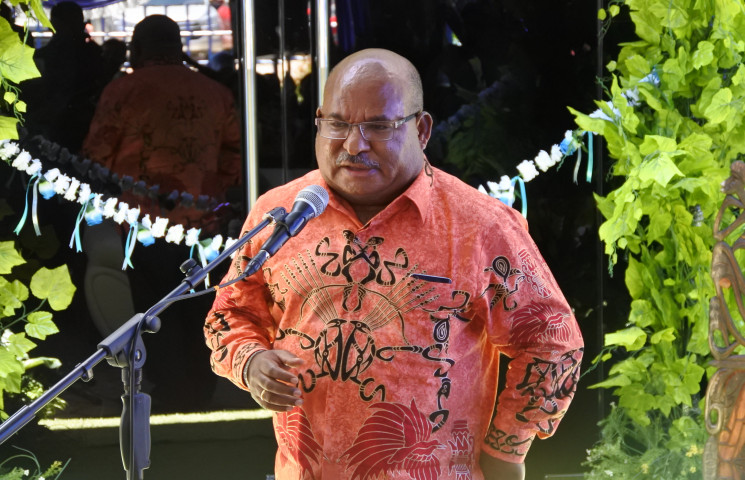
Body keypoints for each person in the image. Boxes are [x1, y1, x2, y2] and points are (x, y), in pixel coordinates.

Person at [204, 48, 583, 479]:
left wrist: (506, 449)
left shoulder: (481, 226)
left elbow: (554, 342)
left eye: (379, 127)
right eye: (338, 124)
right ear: (319, 121)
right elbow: (230, 314)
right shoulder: (281, 215)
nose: (354, 144)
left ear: (421, 130)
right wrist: (250, 361)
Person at [81, 14, 242, 412]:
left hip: (144, 223)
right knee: (201, 304)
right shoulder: (215, 92)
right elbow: (234, 159)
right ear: (179, 48)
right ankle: (202, 388)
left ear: (137, 49)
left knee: (154, 308)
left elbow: (95, 156)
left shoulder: (123, 90)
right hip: (205, 225)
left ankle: (172, 391)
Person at [23, 1, 105, 153]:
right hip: (80, 118)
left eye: (56, 26)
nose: (51, 29)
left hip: (60, 118)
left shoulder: (58, 51)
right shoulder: (92, 51)